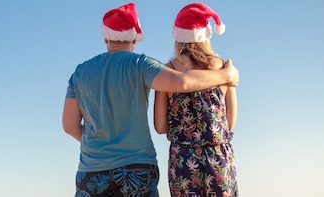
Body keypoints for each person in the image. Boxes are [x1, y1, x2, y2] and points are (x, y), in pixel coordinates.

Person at [62, 2, 239, 197]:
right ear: (135, 38)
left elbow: (69, 125)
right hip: (138, 169)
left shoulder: (80, 72)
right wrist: (226, 75)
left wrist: (95, 144)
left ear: (105, 37)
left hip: (92, 171)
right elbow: (181, 82)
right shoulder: (140, 64)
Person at [153, 2, 238, 197]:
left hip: (183, 159)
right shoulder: (224, 69)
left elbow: (160, 126)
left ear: (178, 36)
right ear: (206, 34)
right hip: (218, 157)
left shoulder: (168, 71)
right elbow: (230, 122)